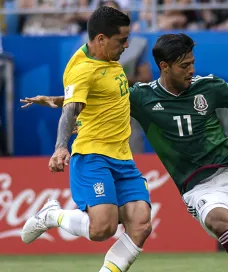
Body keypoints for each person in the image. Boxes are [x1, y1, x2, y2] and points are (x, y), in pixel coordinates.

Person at [21, 33, 228, 272]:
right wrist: (52, 100)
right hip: (198, 186)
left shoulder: (207, 86)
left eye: (192, 62)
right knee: (218, 221)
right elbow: (90, 100)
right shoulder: (140, 97)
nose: (191, 69)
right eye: (184, 65)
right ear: (164, 67)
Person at [20, 7, 152, 272]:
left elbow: (88, 99)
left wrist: (57, 99)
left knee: (140, 224)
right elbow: (72, 110)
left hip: (123, 157)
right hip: (94, 156)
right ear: (101, 39)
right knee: (103, 228)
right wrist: (60, 147)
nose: (127, 45)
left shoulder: (105, 59)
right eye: (121, 40)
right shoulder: (83, 69)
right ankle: (52, 215)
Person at [78, 0, 152, 154]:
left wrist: (120, 79)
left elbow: (146, 78)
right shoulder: (85, 45)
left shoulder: (136, 44)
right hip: (97, 112)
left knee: (131, 156)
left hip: (127, 109)